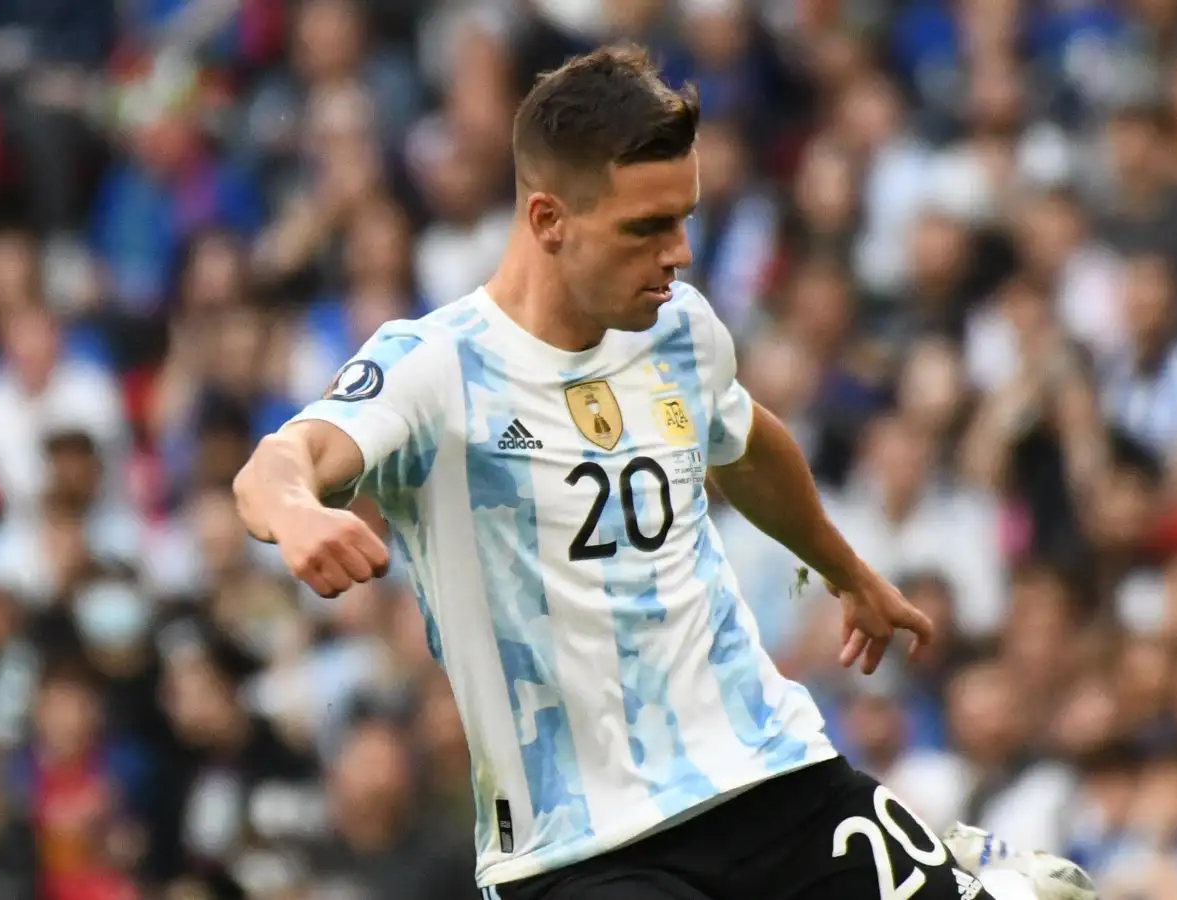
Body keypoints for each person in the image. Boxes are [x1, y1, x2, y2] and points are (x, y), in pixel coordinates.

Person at [234, 43, 1091, 900]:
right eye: (646, 228)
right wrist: (301, 512)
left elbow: (749, 444)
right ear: (547, 220)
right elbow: (281, 461)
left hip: (769, 775)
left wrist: (848, 572)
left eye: (684, 219)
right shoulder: (436, 367)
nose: (678, 253)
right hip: (580, 847)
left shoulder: (678, 329)